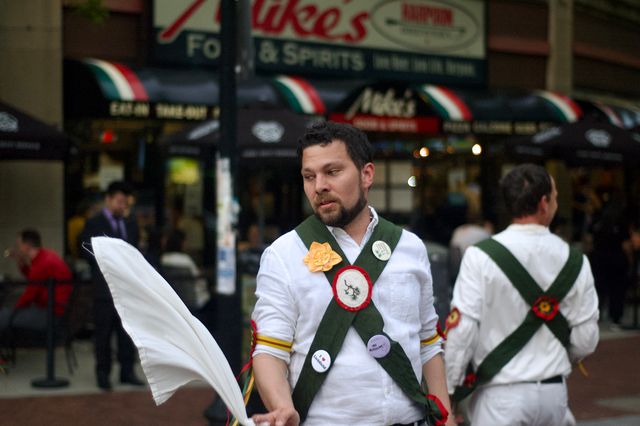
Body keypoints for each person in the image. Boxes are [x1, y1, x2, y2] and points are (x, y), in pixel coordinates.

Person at [251, 122, 453, 426]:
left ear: (367, 174)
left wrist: (446, 419)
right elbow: (269, 350)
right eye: (309, 176)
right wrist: (282, 406)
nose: (319, 186)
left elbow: (428, 342)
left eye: (332, 172)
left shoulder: (411, 248)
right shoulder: (283, 255)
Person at [444, 164, 599, 426]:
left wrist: (449, 389)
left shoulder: (480, 257)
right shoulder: (576, 260)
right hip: (554, 395)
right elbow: (586, 340)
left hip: (500, 397)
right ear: (543, 203)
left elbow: (462, 331)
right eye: (556, 197)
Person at [80, 181, 143, 390]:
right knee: (103, 334)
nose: (122, 206)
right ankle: (103, 374)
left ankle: (127, 371)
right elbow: (85, 250)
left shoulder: (130, 223)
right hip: (104, 289)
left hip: (127, 290)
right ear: (108, 200)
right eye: (118, 202)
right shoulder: (94, 223)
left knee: (127, 334)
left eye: (125, 203)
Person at [0, 229, 73, 333]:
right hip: (55, 311)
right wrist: (21, 263)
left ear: (26, 246)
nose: (17, 249)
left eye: (18, 245)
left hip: (52, 315)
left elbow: (29, 294)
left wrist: (14, 312)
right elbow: (35, 279)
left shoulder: (42, 263)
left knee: (3, 316)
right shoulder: (45, 257)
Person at [160, 229, 209, 312]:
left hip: (171, 299)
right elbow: (197, 278)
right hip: (190, 299)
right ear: (181, 243)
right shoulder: (186, 260)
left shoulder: (163, 259)